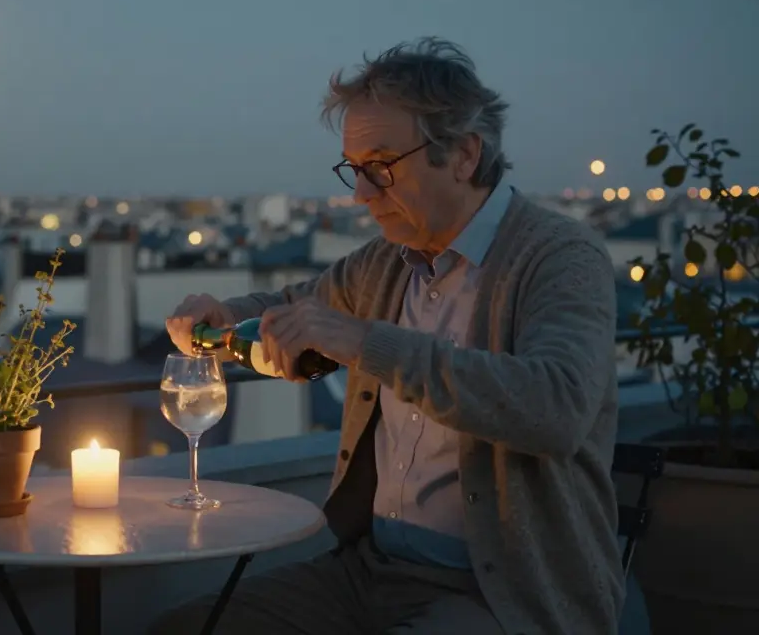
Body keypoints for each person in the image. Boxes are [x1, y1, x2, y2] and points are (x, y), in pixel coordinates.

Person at [153, 38, 623, 635]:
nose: (361, 194)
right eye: (355, 169)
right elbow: (295, 307)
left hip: (505, 593)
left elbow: (557, 408)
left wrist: (364, 342)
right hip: (369, 571)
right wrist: (223, 313)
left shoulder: (560, 256)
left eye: (381, 166)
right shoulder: (388, 261)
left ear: (464, 154)